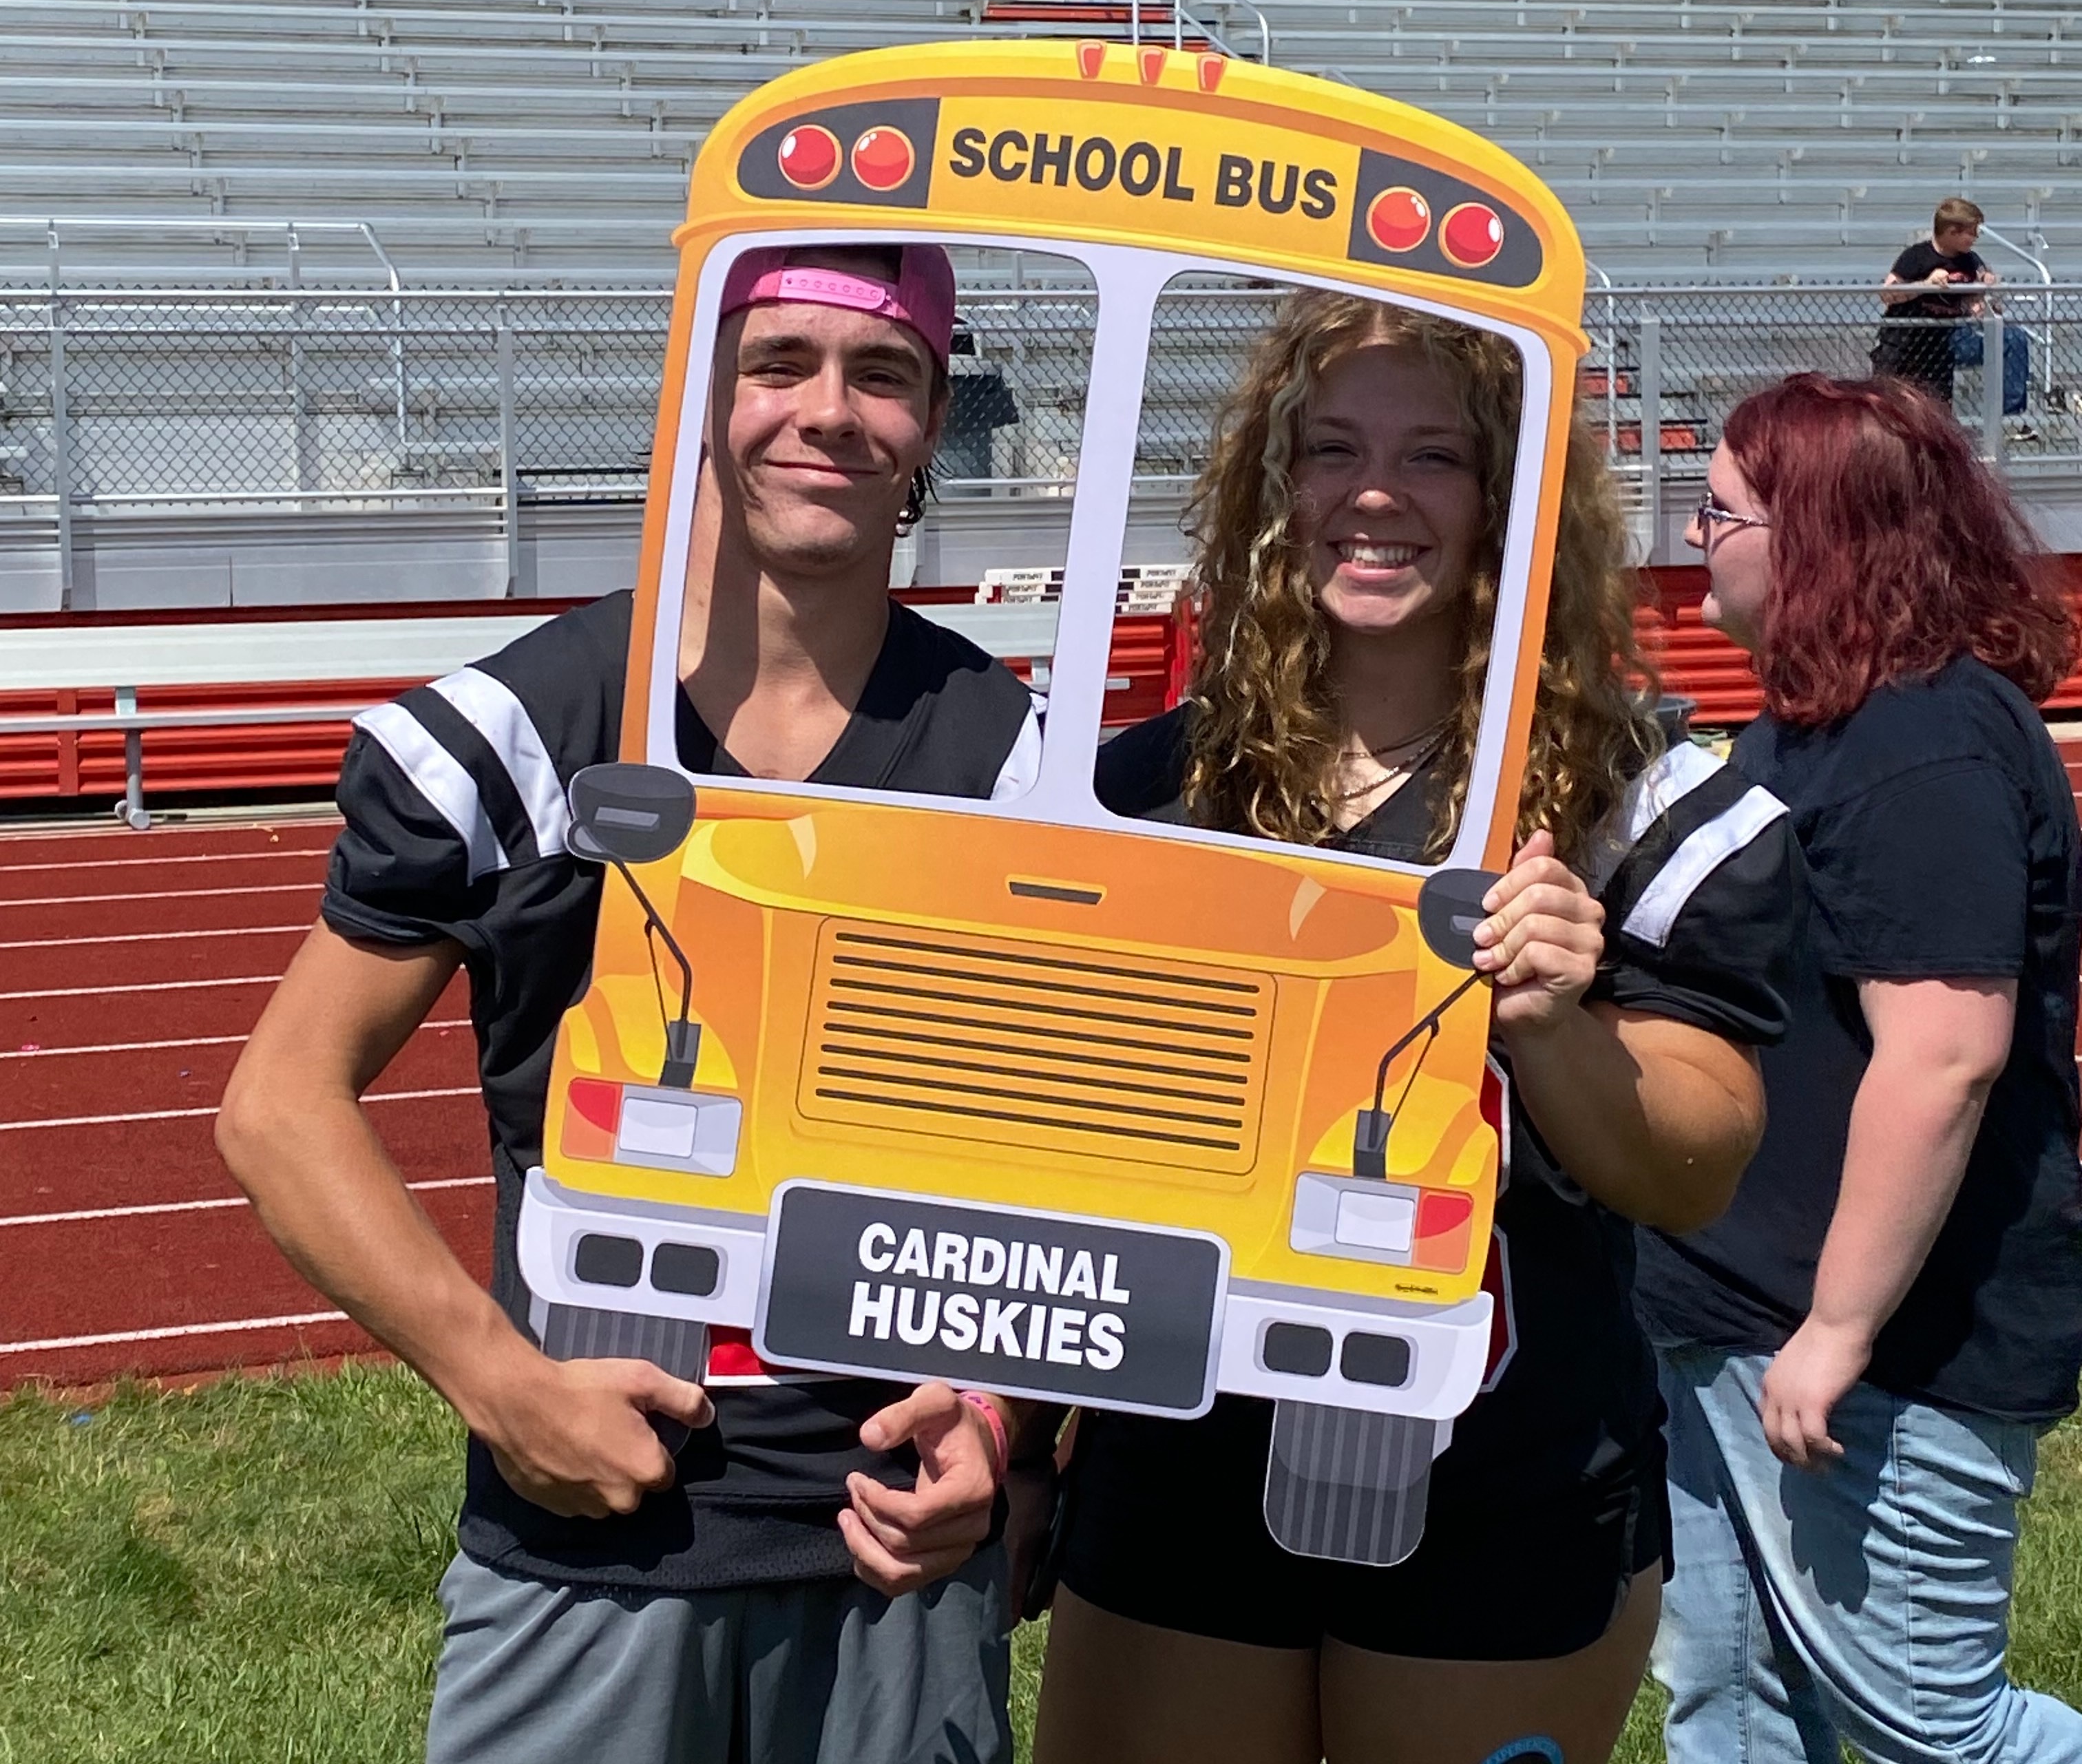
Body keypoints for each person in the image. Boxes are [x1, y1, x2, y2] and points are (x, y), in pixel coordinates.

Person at [217, 243, 1047, 1764]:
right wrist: (499, 1385)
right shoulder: (522, 730)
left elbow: (1050, 1143)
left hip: (890, 1540)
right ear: (702, 397)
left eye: (884, 376)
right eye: (779, 364)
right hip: (597, 1535)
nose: (830, 413)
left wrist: (996, 1416)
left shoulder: (1009, 758)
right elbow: (279, 1105)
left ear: (935, 423)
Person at [1032, 289, 1800, 1764]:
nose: (1375, 493)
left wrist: (1557, 1024)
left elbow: (1694, 1165)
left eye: (1435, 456)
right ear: (1276, 480)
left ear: (1508, 495)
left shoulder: (1648, 797)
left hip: (1496, 1460)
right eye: (1332, 448)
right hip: (1184, 1448)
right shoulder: (1144, 787)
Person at [1641, 371, 2082, 1764]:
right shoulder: (1806, 727)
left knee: (1935, 1729)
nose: (1697, 537)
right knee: (1734, 1696)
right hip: (1721, 1305)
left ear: (1817, 538)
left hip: (1881, 1342)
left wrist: (1835, 1331)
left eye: (1720, 512)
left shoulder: (1923, 743)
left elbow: (1944, 1057)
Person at [1873, 197, 2026, 414]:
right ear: (1952, 232)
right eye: (1971, 232)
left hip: (1948, 342)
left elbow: (1978, 298)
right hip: (1907, 342)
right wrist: (1926, 285)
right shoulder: (1916, 256)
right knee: (1893, 410)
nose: (1975, 238)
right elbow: (1887, 294)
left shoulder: (1970, 260)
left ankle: (2011, 416)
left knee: (2013, 338)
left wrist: (1985, 297)